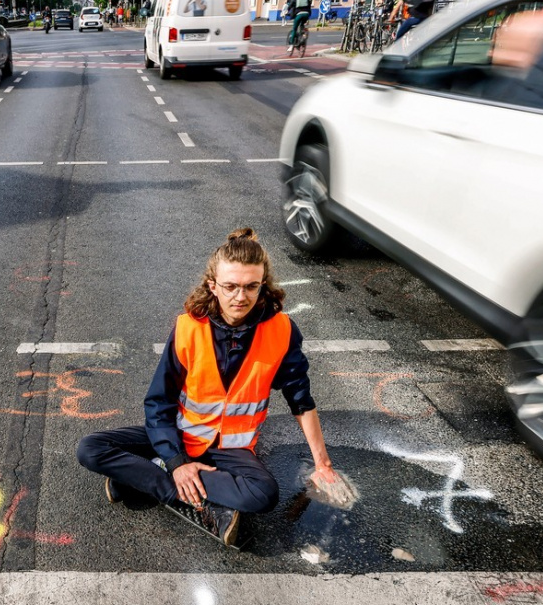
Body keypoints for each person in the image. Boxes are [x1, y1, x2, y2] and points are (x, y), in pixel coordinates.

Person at [77, 229, 345, 547]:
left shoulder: (282, 330)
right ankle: (192, 493)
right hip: (180, 438)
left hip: (232, 449)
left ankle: (142, 479)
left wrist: (323, 464)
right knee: (90, 448)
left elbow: (300, 398)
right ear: (213, 286)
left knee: (264, 495)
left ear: (263, 286)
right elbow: (159, 402)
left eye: (250, 287)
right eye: (230, 286)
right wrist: (177, 463)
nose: (240, 297)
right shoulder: (188, 328)